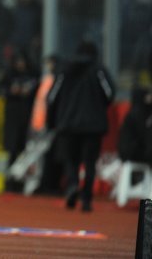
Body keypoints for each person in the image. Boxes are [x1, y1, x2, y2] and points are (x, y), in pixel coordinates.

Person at [47, 40, 115, 212]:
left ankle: (72, 185)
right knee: (90, 163)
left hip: (68, 124)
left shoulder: (64, 69)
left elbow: (52, 97)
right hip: (93, 125)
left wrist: (53, 122)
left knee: (70, 160)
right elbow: (109, 94)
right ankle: (86, 200)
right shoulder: (98, 70)